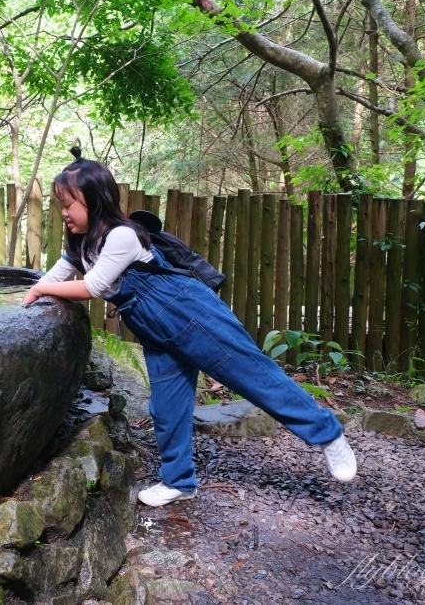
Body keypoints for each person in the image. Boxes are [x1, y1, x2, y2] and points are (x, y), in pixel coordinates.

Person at [22, 148, 357, 507]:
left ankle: (328, 434)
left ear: (94, 200)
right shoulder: (81, 244)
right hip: (155, 329)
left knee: (253, 376)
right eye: (60, 205)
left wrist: (41, 289)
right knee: (167, 407)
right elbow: (54, 276)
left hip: (189, 313)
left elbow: (93, 287)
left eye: (68, 204)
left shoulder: (121, 236)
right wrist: (25, 301)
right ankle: (179, 481)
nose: (63, 213)